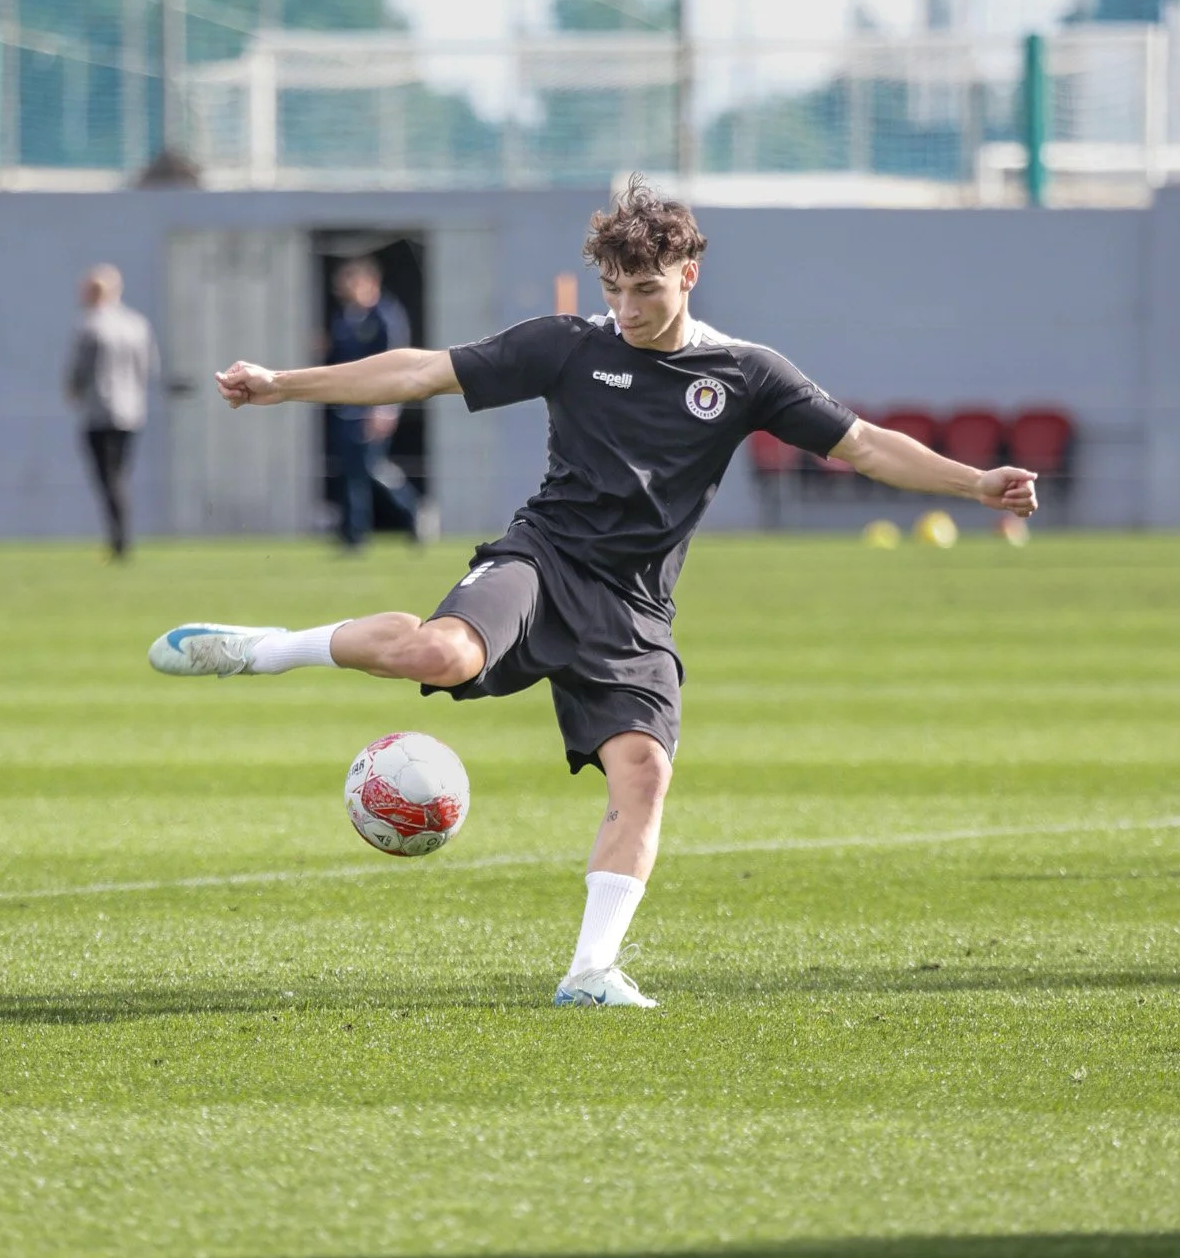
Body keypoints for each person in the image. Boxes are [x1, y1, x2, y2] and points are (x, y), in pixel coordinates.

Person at [148, 179, 1037, 1009]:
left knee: (644, 772)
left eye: (645, 288)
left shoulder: (745, 374)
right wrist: (280, 387)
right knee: (437, 652)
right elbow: (420, 370)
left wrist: (975, 484)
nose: (626, 309)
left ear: (688, 274)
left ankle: (589, 972)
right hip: (544, 560)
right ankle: (262, 649)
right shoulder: (568, 345)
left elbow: (865, 445)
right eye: (612, 288)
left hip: (636, 609)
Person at [325, 257, 433, 548]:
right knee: (351, 471)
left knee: (372, 469)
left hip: (371, 408)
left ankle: (413, 514)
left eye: (350, 282)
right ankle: (352, 535)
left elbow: (396, 366)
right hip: (345, 408)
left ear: (368, 282)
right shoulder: (343, 318)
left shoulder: (385, 316)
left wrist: (385, 409)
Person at [64, 264, 158, 559]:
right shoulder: (137, 324)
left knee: (107, 479)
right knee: (119, 476)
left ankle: (119, 542)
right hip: (131, 412)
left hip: (100, 411)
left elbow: (78, 371)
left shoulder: (90, 325)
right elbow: (148, 368)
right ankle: (120, 539)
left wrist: (74, 392)